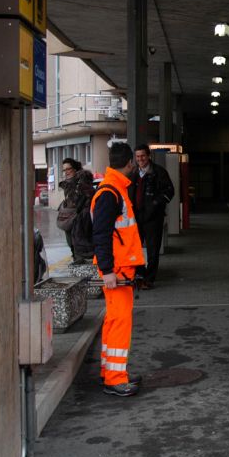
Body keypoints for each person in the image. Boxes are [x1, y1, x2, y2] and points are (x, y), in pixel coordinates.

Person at [91, 142, 146, 397]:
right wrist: (108, 270)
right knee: (120, 322)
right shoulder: (111, 192)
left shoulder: (113, 189)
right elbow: (100, 235)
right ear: (130, 164)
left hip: (120, 268)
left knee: (113, 320)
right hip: (117, 270)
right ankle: (115, 379)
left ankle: (110, 372)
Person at [130, 144, 175, 290]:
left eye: (143, 156)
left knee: (153, 250)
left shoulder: (159, 172)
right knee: (135, 249)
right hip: (136, 217)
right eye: (137, 156)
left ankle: (149, 279)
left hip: (153, 218)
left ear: (149, 156)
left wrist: (155, 203)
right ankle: (140, 275)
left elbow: (170, 191)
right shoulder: (133, 173)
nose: (140, 159)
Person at [58, 157, 95, 265]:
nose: (66, 172)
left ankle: (81, 262)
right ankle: (77, 260)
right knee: (72, 242)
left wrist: (78, 212)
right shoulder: (69, 184)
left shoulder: (82, 183)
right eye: (64, 170)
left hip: (81, 220)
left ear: (75, 169)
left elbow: (87, 199)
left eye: (68, 169)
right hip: (71, 219)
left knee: (80, 244)